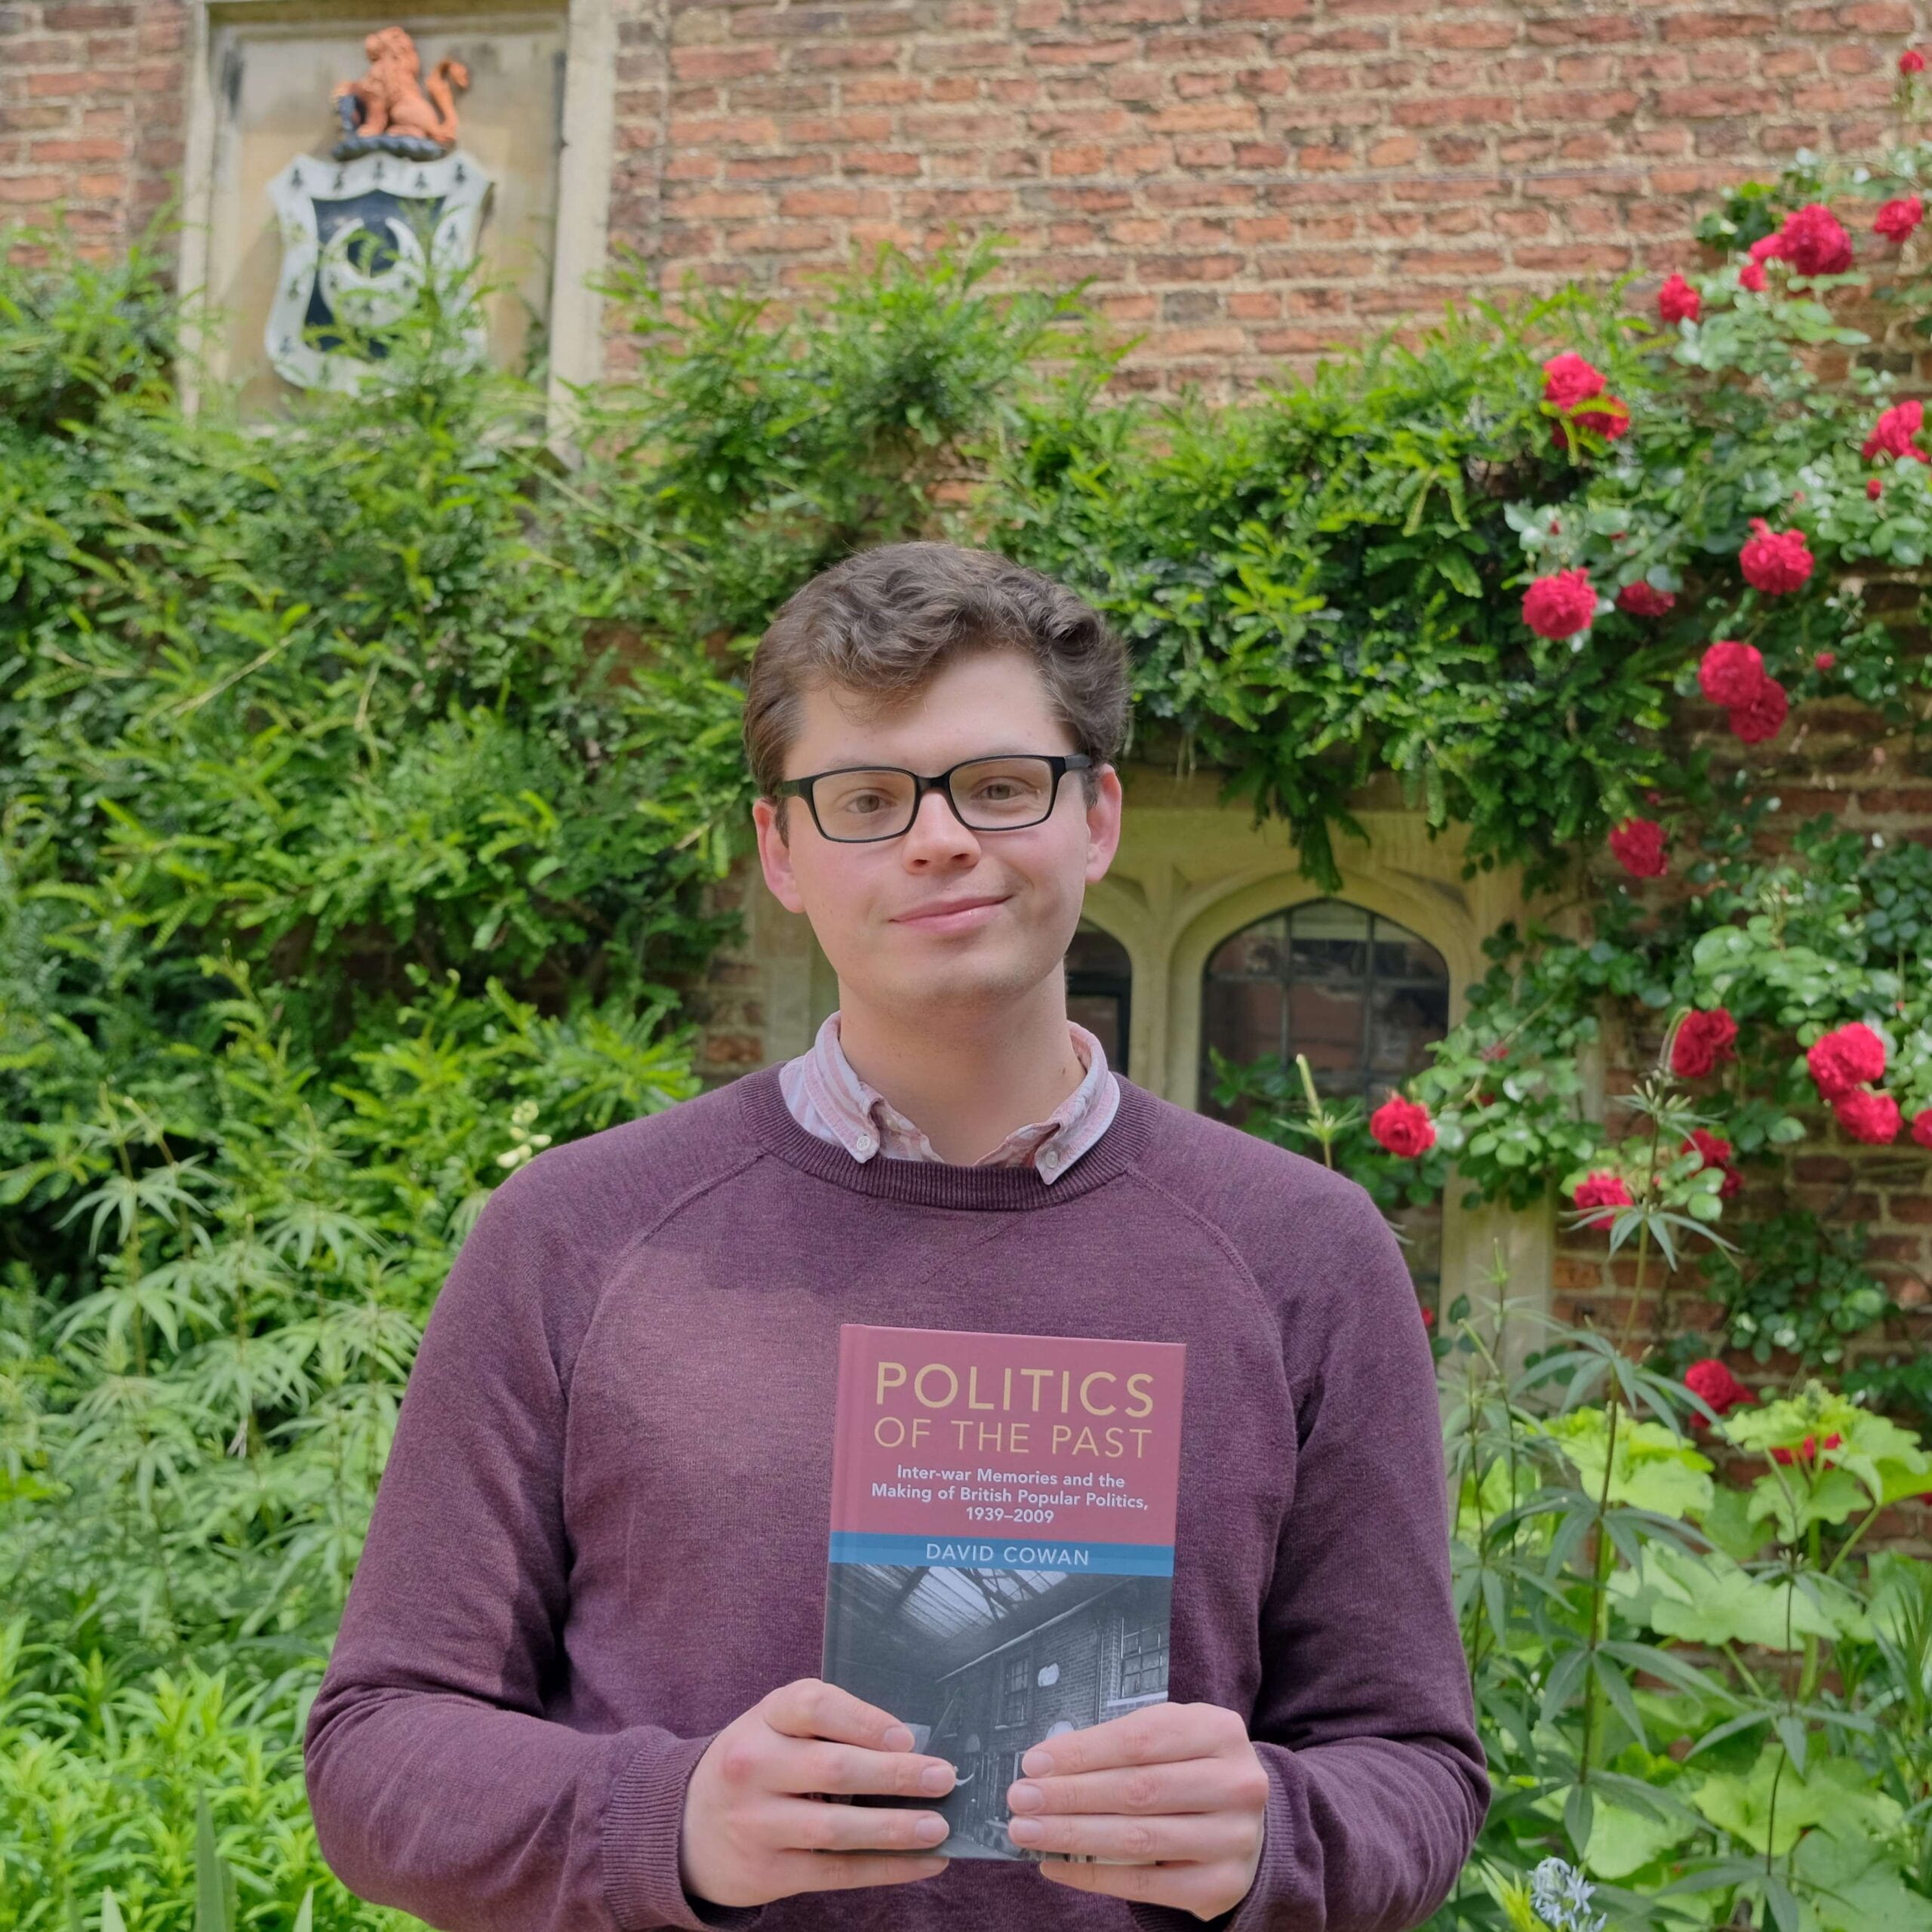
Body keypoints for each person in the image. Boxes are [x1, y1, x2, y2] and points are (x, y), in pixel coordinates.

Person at [303, 541, 1488, 1932]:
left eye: (999, 786)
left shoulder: (1303, 1251)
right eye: (867, 798)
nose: (940, 838)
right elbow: (377, 1751)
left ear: (1096, 819)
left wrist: (1275, 1836)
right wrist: (667, 1820)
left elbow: (1415, 1770)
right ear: (781, 853)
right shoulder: (574, 1236)